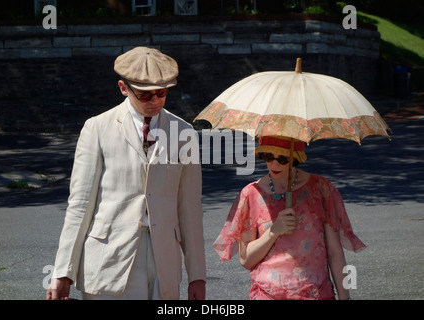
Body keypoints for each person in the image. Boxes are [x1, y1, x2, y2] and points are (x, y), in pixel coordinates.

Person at [46, 47, 206, 300]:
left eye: (162, 93)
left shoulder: (183, 133)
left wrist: (197, 275)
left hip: (163, 261)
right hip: (108, 259)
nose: (155, 101)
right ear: (123, 87)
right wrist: (63, 272)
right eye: (145, 95)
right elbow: (80, 204)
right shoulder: (97, 128)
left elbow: (190, 208)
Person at [213, 136, 366, 300]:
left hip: (316, 293)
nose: (274, 164)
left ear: (296, 158)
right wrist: (274, 231)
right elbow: (246, 260)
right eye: (268, 157)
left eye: (283, 159)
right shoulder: (251, 193)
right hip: (268, 295)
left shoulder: (321, 189)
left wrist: (345, 297)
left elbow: (335, 252)